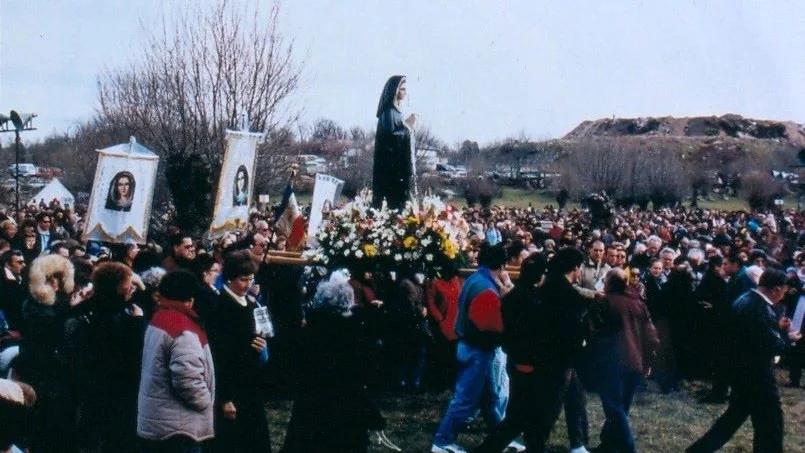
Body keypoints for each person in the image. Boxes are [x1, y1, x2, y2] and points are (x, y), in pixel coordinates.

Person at [687, 269, 801, 453]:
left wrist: (777, 330)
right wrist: (790, 338)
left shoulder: (745, 299)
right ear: (776, 289)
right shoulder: (759, 307)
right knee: (771, 422)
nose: (783, 295)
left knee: (734, 418)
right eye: (784, 291)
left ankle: (698, 450)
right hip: (758, 375)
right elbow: (771, 344)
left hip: (742, 372)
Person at [431, 242, 523, 453]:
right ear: (503, 265)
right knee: (466, 399)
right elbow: (493, 327)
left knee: (492, 397)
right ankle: (443, 441)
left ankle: (501, 437)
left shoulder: (474, 279)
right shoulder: (487, 289)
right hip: (479, 351)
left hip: (470, 346)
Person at [280, 270, 383, 453]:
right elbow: (364, 373)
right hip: (345, 408)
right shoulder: (353, 335)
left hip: (311, 407)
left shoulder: (309, 332)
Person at [473, 253, 548, 453]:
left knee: (526, 416)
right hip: (527, 363)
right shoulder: (532, 300)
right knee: (518, 417)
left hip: (515, 358)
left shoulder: (514, 296)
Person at [68, 262, 144, 453]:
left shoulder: (88, 309)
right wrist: (138, 323)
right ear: (117, 286)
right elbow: (133, 354)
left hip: (92, 389)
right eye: (128, 283)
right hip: (116, 391)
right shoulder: (121, 317)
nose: (131, 287)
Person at [137, 269, 215, 453]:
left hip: (160, 419)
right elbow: (187, 380)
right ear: (190, 299)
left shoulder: (159, 318)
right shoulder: (183, 329)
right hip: (178, 428)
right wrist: (206, 400)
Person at [208, 250, 272, 453]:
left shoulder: (251, 303)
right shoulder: (220, 308)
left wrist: (261, 345)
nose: (248, 284)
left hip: (250, 385)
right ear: (230, 278)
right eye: (243, 280)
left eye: (251, 279)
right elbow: (218, 356)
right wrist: (225, 398)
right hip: (232, 387)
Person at [17, 254, 78, 453]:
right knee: (43, 418)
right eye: (57, 277)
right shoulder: (35, 303)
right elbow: (51, 330)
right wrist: (73, 309)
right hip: (40, 367)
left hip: (56, 368)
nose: (60, 282)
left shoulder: (60, 301)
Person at [593, 269, 658, 453]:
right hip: (635, 363)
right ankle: (608, 446)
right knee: (621, 409)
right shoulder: (639, 303)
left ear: (610, 282)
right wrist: (648, 362)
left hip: (612, 363)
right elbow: (652, 337)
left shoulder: (605, 302)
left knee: (615, 410)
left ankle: (628, 449)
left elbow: (593, 332)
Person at [372, 75, 417, 210]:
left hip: (397, 167)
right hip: (389, 168)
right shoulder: (389, 112)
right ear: (394, 91)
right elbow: (390, 138)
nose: (405, 92)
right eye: (402, 89)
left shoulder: (396, 112)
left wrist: (405, 127)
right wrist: (407, 127)